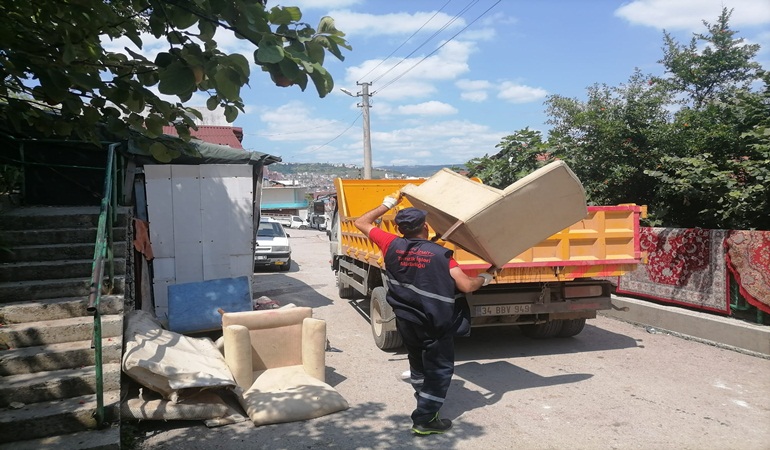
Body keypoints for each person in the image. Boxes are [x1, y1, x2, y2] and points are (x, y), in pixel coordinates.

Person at [354, 191, 494, 435]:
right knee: (439, 369)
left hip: (407, 319)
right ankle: (425, 420)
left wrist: (388, 203)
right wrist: (486, 276)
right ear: (426, 227)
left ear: (400, 229)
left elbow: (361, 222)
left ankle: (422, 396)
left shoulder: (391, 244)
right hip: (434, 322)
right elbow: (466, 286)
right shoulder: (441, 256)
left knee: (418, 363)